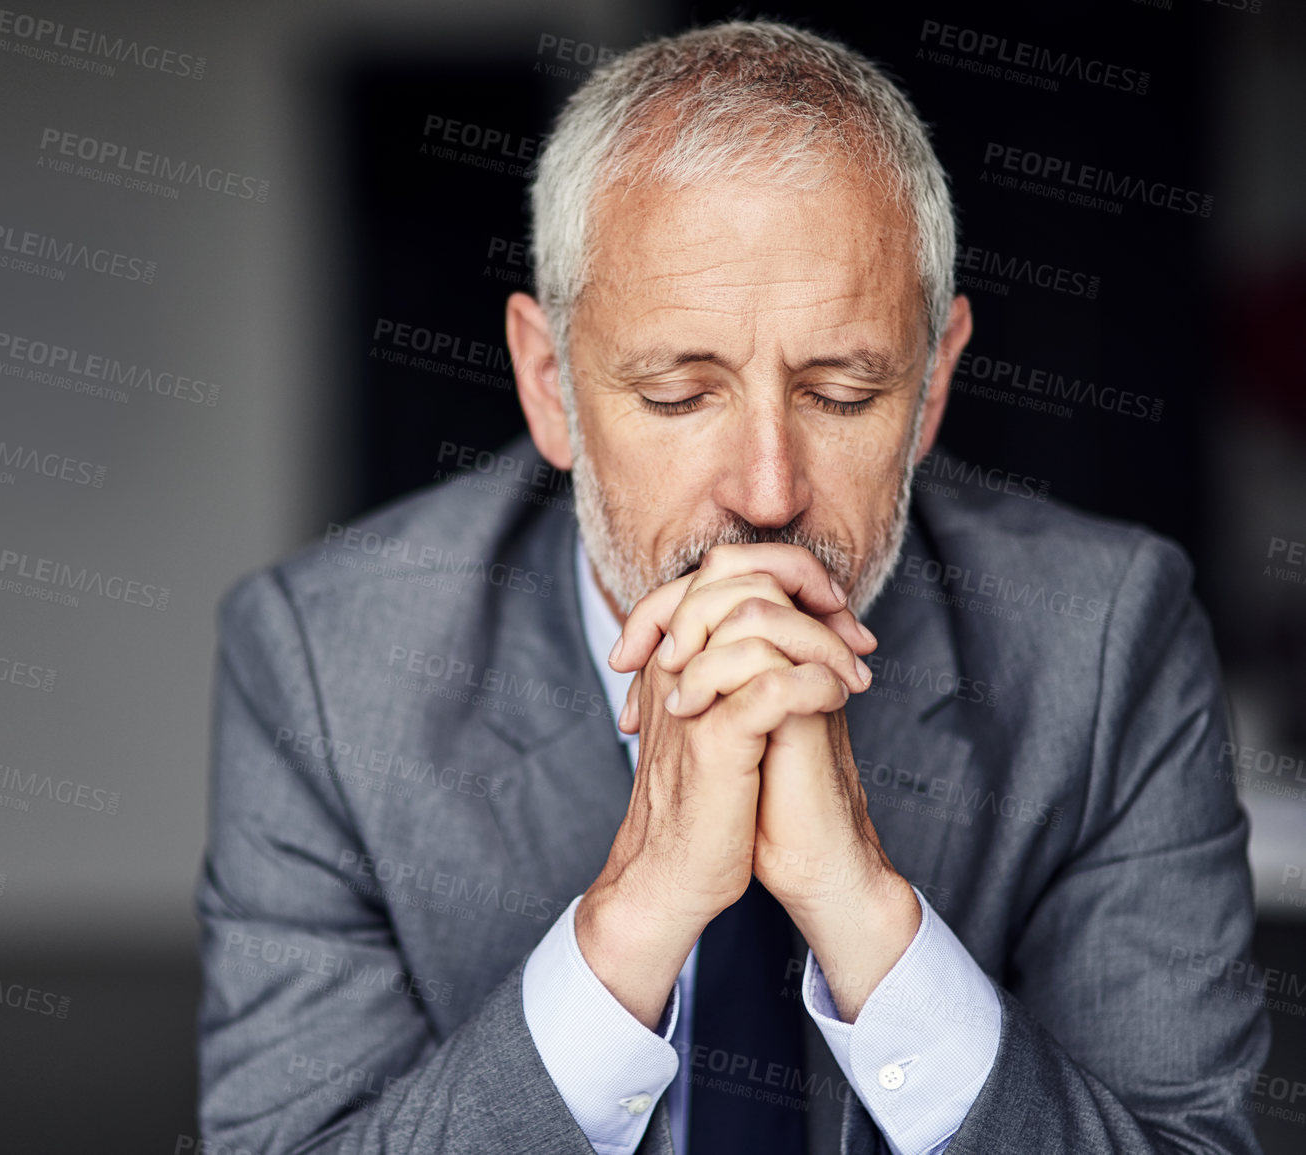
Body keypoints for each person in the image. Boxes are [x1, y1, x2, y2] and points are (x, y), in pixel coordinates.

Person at [195, 19, 1268, 1155]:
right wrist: (634, 920)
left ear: (935, 385)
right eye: (678, 394)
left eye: (844, 393)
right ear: (550, 384)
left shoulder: (1110, 638)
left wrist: (868, 920)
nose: (766, 494)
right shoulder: (321, 660)